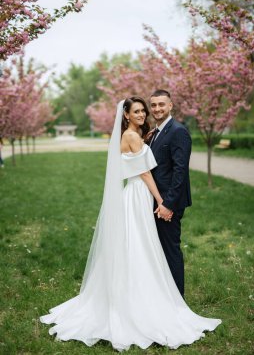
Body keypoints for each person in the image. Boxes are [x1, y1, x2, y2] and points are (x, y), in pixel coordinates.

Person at [40, 97, 221, 351]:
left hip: (137, 194)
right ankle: (144, 300)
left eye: (142, 110)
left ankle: (157, 295)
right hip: (139, 194)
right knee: (139, 245)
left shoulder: (140, 134)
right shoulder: (133, 137)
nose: (142, 113)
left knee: (140, 245)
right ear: (125, 114)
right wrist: (161, 201)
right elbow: (145, 173)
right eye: (136, 111)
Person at [148, 89, 191, 298]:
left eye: (161, 104)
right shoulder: (155, 133)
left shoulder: (178, 131)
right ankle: (162, 296)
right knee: (157, 250)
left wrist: (168, 204)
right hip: (155, 201)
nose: (157, 109)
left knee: (170, 250)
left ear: (171, 105)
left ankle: (177, 301)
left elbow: (180, 171)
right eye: (154, 105)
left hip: (168, 204)